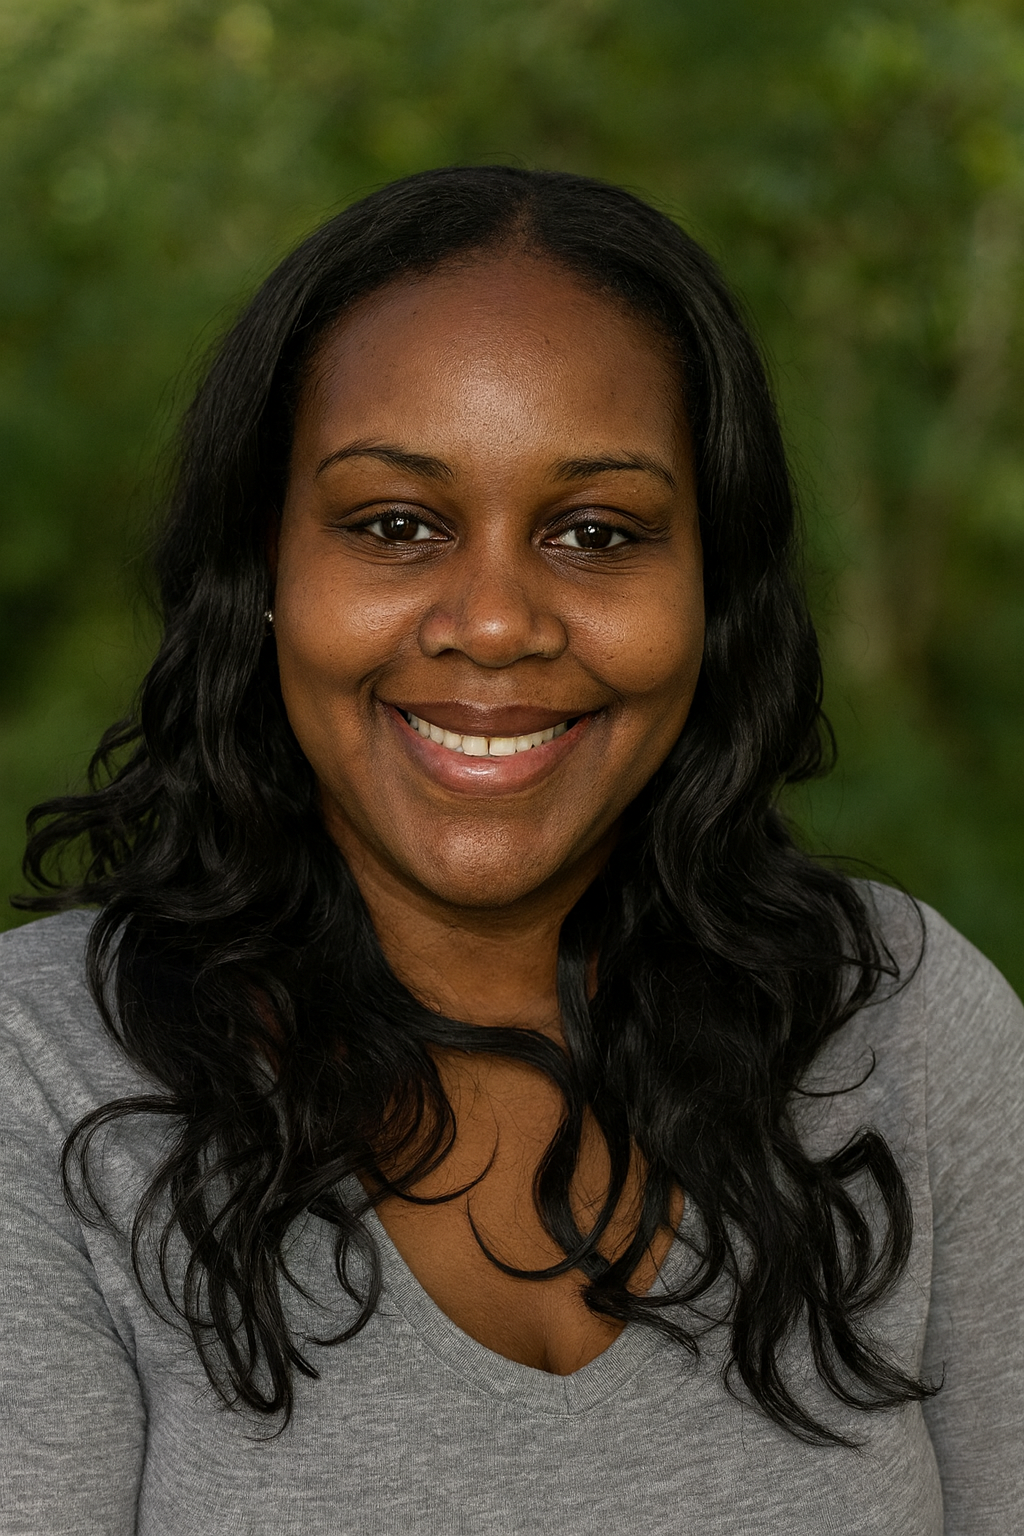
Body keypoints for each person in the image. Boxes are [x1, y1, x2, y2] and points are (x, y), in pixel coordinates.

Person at [1, 165, 1021, 1536]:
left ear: (714, 594)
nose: (493, 622)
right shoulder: (41, 1082)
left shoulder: (902, 1028)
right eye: (396, 525)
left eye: (596, 533)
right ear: (263, 576)